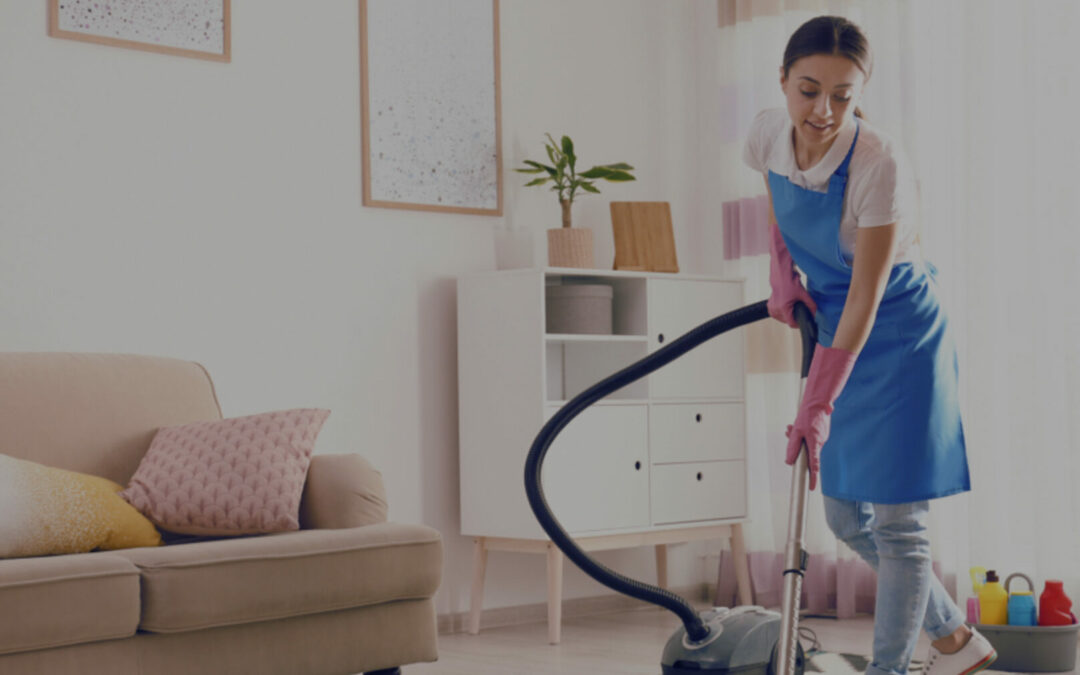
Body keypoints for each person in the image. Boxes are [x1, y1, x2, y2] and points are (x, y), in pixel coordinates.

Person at [742, 15, 997, 675]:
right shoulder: (769, 132)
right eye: (808, 90)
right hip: (836, 333)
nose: (823, 110)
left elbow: (865, 294)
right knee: (844, 514)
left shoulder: (878, 160)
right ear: (783, 81)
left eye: (843, 95)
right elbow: (774, 202)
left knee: (898, 527)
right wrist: (780, 277)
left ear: (860, 93)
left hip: (899, 337)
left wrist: (817, 403)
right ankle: (956, 637)